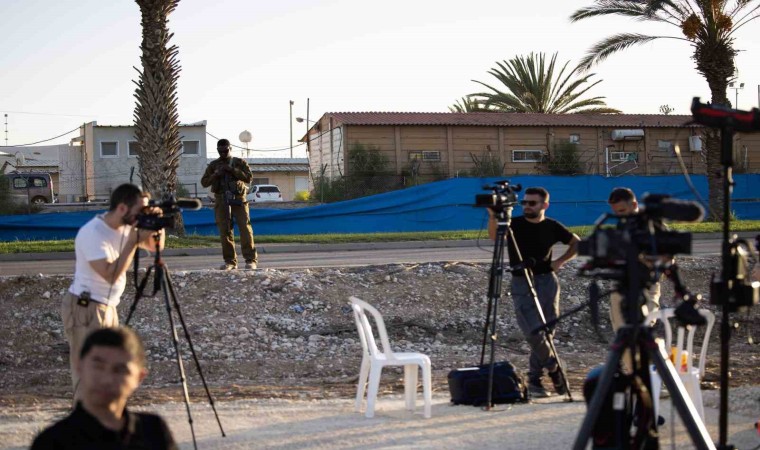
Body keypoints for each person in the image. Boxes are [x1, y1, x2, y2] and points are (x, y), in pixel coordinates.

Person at [64, 183, 164, 395]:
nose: (141, 216)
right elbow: (110, 275)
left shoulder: (127, 226)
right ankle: (84, 415)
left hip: (107, 306)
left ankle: (103, 413)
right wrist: (132, 243)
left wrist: (157, 224)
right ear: (122, 208)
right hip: (86, 307)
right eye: (139, 210)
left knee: (108, 370)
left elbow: (156, 246)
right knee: (89, 375)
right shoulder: (93, 232)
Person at [488, 186, 580, 397]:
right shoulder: (514, 225)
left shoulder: (552, 226)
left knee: (547, 331)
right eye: (524, 203)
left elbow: (576, 243)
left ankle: (535, 380)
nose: (527, 206)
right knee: (532, 332)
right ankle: (555, 368)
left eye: (532, 203)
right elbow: (494, 237)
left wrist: (560, 261)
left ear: (544, 205)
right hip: (521, 281)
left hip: (547, 281)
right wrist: (493, 215)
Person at [31, 327, 177, 449]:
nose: (107, 379)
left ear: (139, 377)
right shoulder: (52, 442)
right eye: (98, 367)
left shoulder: (153, 431)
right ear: (79, 366)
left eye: (120, 370)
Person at [606, 187, 661, 334]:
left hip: (646, 284)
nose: (619, 215)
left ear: (634, 205)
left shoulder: (652, 224)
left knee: (643, 328)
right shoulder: (622, 224)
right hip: (623, 284)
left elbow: (667, 257)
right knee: (621, 332)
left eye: (622, 211)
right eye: (616, 212)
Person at [201, 138, 258, 271]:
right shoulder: (214, 165)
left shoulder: (239, 162)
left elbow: (249, 178)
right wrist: (216, 174)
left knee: (245, 229)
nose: (223, 153)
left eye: (225, 151)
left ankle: (250, 260)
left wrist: (232, 170)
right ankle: (230, 261)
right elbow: (204, 182)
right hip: (221, 200)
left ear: (230, 149)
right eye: (220, 151)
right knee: (225, 231)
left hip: (238, 199)